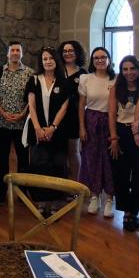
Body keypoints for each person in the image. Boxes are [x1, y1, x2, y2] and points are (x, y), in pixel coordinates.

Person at [24, 47, 70, 210]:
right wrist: (38, 128)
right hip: (38, 131)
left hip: (58, 132)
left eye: (51, 58)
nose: (48, 61)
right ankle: (42, 203)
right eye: (45, 59)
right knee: (39, 165)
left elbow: (64, 107)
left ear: (56, 60)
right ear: (41, 62)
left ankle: (56, 203)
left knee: (58, 165)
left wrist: (52, 128)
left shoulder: (64, 82)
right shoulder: (34, 80)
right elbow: (31, 105)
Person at [0, 41, 33, 204]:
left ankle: (22, 190)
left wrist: (23, 113)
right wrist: (2, 113)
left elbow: (32, 97)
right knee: (2, 158)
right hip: (2, 124)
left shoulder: (29, 73)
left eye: (18, 50)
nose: (15, 53)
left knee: (23, 158)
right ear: (8, 53)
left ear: (22, 53)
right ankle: (2, 189)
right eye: (12, 50)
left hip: (22, 125)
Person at [108, 54, 139, 232]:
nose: (129, 72)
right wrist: (114, 138)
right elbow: (111, 114)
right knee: (121, 175)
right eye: (125, 69)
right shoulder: (116, 88)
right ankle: (126, 213)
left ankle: (134, 211)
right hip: (121, 132)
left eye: (132, 68)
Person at [78, 46, 116, 218]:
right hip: (91, 121)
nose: (100, 60)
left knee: (109, 160)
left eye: (103, 57)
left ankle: (109, 198)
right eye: (96, 58)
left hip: (110, 122)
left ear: (108, 59)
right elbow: (81, 105)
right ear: (92, 61)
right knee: (91, 159)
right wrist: (81, 127)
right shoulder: (86, 78)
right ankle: (95, 196)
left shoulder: (115, 79)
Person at [58, 40, 88, 182]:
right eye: (65, 51)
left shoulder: (83, 74)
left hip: (74, 117)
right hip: (56, 116)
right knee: (59, 152)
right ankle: (60, 185)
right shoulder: (57, 71)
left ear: (77, 53)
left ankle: (75, 185)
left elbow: (84, 100)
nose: (67, 53)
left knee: (73, 151)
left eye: (71, 51)